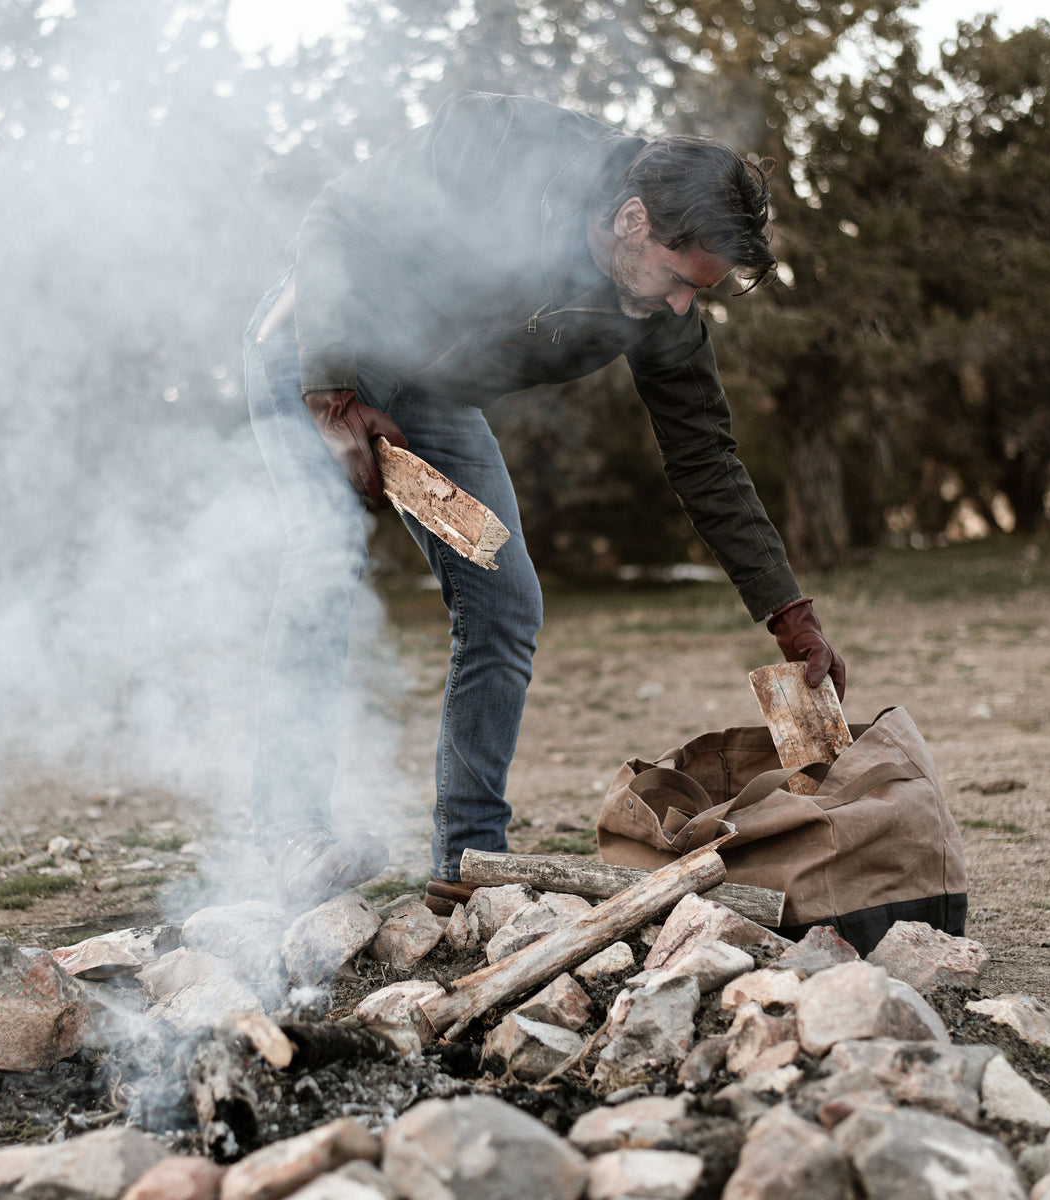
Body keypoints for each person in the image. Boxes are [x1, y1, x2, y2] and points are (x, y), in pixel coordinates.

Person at [243, 90, 846, 912]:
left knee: (505, 601)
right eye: (679, 279)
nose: (681, 306)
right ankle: (286, 835)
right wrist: (332, 389)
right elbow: (335, 220)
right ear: (632, 219)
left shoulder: (664, 316)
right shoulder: (503, 141)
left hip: (428, 394)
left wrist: (789, 614)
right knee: (324, 558)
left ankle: (466, 870)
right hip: (316, 345)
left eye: (696, 292)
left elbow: (706, 459)